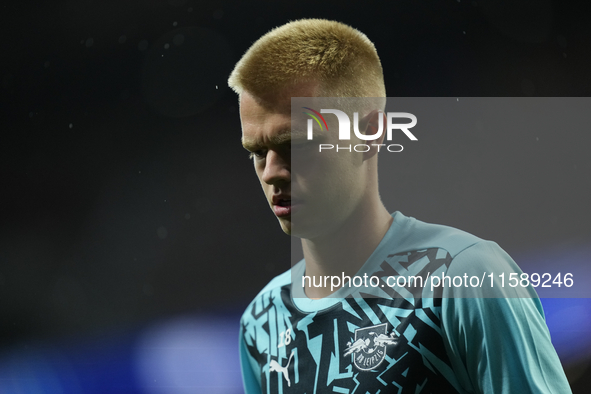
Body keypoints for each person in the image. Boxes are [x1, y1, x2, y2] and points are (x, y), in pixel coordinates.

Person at [228, 19, 572, 393]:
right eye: (258, 152)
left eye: (297, 143)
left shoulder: (464, 279)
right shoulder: (262, 322)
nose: (271, 172)